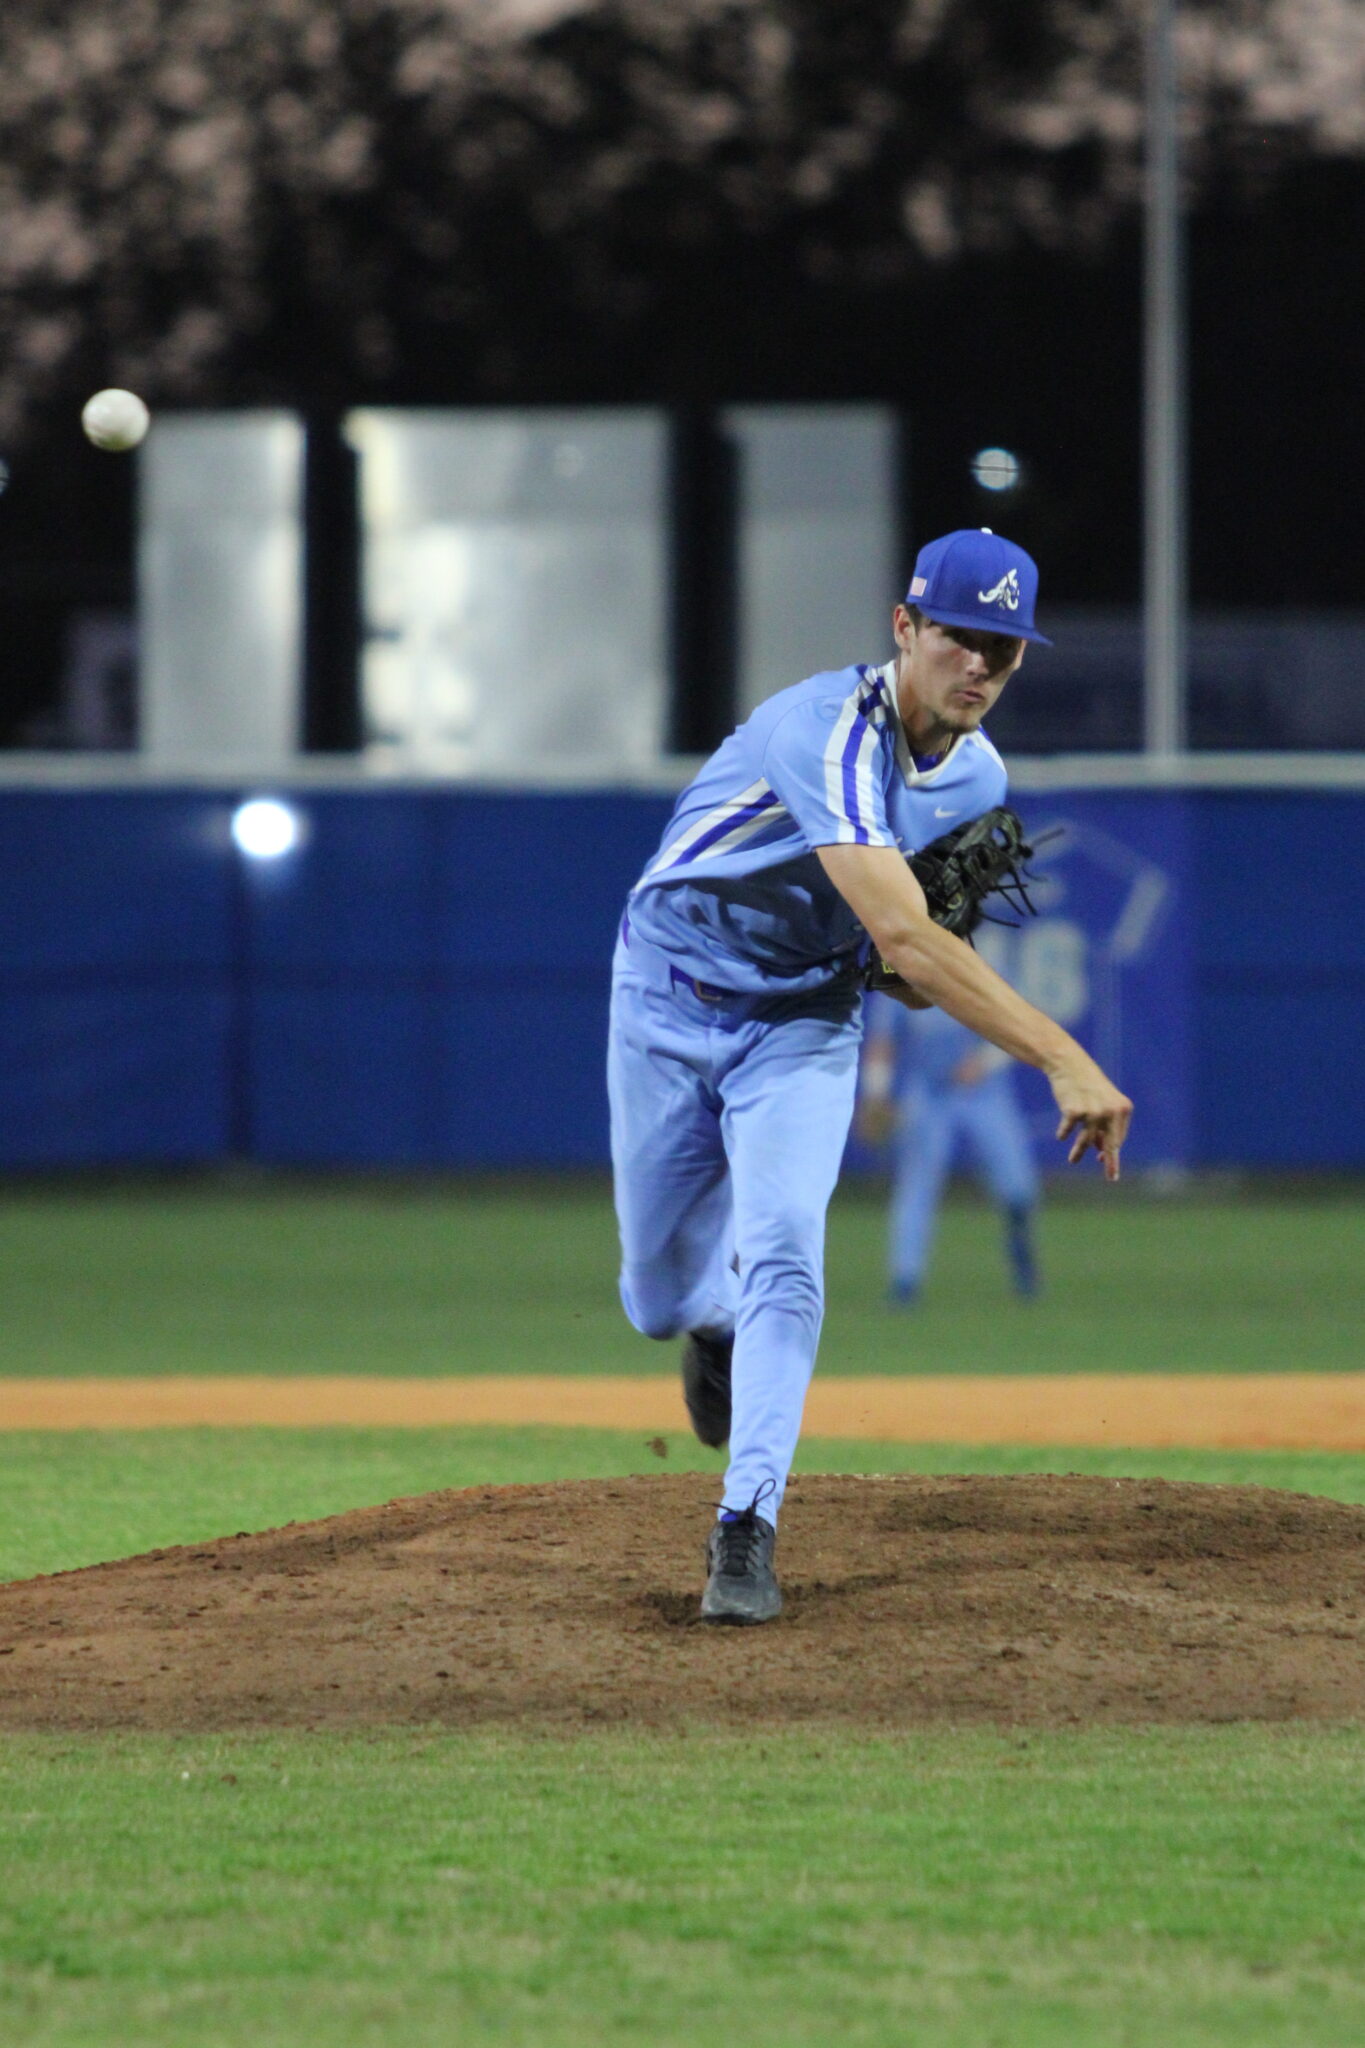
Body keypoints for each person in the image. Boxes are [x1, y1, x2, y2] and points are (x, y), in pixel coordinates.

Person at [607, 528, 1131, 1625]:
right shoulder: (824, 728)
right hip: (666, 995)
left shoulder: (978, 776)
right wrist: (1063, 1054)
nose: (978, 663)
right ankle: (711, 1326)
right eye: (957, 636)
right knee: (654, 1297)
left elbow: (902, 966)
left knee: (786, 1246)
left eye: (1002, 646)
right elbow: (903, 936)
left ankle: (745, 1527)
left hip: (803, 1020)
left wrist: (906, 966)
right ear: (905, 627)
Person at [858, 993, 1041, 1303]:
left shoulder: (983, 970)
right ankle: (905, 1281)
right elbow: (883, 1042)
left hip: (983, 1091)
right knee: (917, 1183)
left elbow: (1019, 1028)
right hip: (929, 1092)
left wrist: (983, 1062)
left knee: (1018, 1188)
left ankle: (1020, 1246)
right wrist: (876, 1093)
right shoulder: (901, 978)